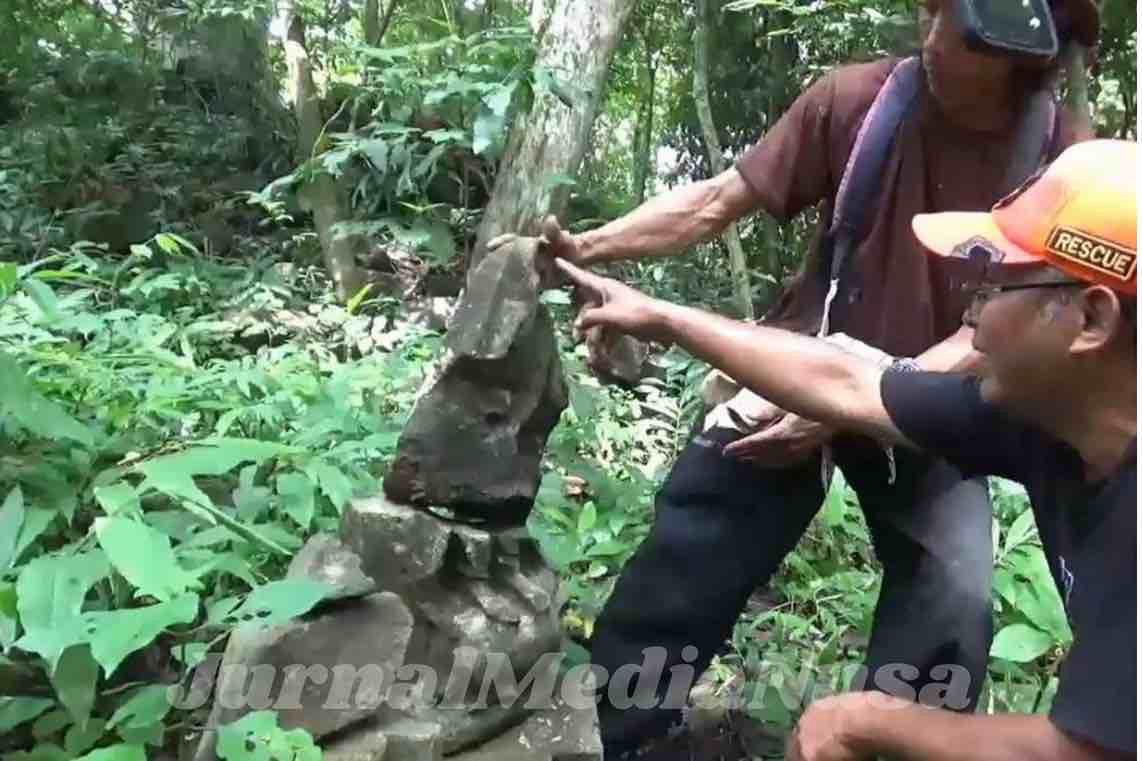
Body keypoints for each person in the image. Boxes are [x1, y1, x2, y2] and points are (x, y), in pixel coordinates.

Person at [492, 0, 1100, 755]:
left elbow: (992, 337)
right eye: (933, 11)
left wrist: (859, 399)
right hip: (801, 361)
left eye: (961, 29)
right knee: (697, 536)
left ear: (1021, 55)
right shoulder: (858, 100)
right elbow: (716, 201)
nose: (932, 34)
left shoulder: (1060, 160)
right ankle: (613, 734)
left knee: (952, 588)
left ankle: (884, 741)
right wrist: (589, 247)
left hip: (934, 398)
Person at [556, 137, 1137, 761]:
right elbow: (849, 383)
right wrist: (664, 317)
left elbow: (1089, 754)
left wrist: (865, 721)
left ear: (1091, 320)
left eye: (995, 290)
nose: (973, 320)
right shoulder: (1047, 419)